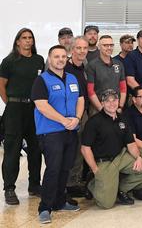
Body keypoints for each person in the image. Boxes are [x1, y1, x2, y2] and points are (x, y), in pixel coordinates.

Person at [31, 45, 84, 223]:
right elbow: (42, 106)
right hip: (51, 132)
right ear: (49, 58)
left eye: (63, 56)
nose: (60, 59)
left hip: (71, 130)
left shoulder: (73, 78)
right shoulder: (42, 80)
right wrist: (63, 120)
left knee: (65, 168)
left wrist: (77, 118)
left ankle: (60, 202)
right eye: (56, 57)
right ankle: (45, 207)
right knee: (53, 169)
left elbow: (81, 100)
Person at [81, 89, 142, 209]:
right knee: (106, 204)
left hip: (121, 156)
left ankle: (119, 189)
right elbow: (85, 148)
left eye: (114, 100)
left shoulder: (123, 119)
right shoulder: (94, 122)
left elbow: (130, 143)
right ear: (102, 103)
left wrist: (138, 158)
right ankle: (92, 184)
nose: (111, 103)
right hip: (104, 162)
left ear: (118, 101)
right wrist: (95, 170)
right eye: (107, 101)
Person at [1, 28, 44, 205]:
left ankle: (34, 185)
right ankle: (9, 188)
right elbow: (1, 86)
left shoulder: (39, 60)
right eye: (24, 38)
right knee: (12, 150)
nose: (28, 41)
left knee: (35, 149)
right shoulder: (9, 61)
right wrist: (11, 103)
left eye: (30, 38)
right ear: (17, 41)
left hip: (34, 109)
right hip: (15, 109)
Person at [64, 36, 89, 198]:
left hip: (83, 114)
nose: (82, 51)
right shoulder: (65, 68)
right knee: (69, 150)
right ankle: (66, 184)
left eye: (84, 48)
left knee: (80, 148)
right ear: (72, 50)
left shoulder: (84, 68)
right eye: (78, 48)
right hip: (67, 115)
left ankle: (74, 182)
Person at [86, 35, 127, 116]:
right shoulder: (92, 65)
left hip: (116, 108)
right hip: (98, 110)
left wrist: (120, 106)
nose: (109, 48)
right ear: (99, 47)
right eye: (105, 45)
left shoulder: (118, 64)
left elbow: (123, 88)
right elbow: (90, 91)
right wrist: (101, 109)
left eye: (111, 45)